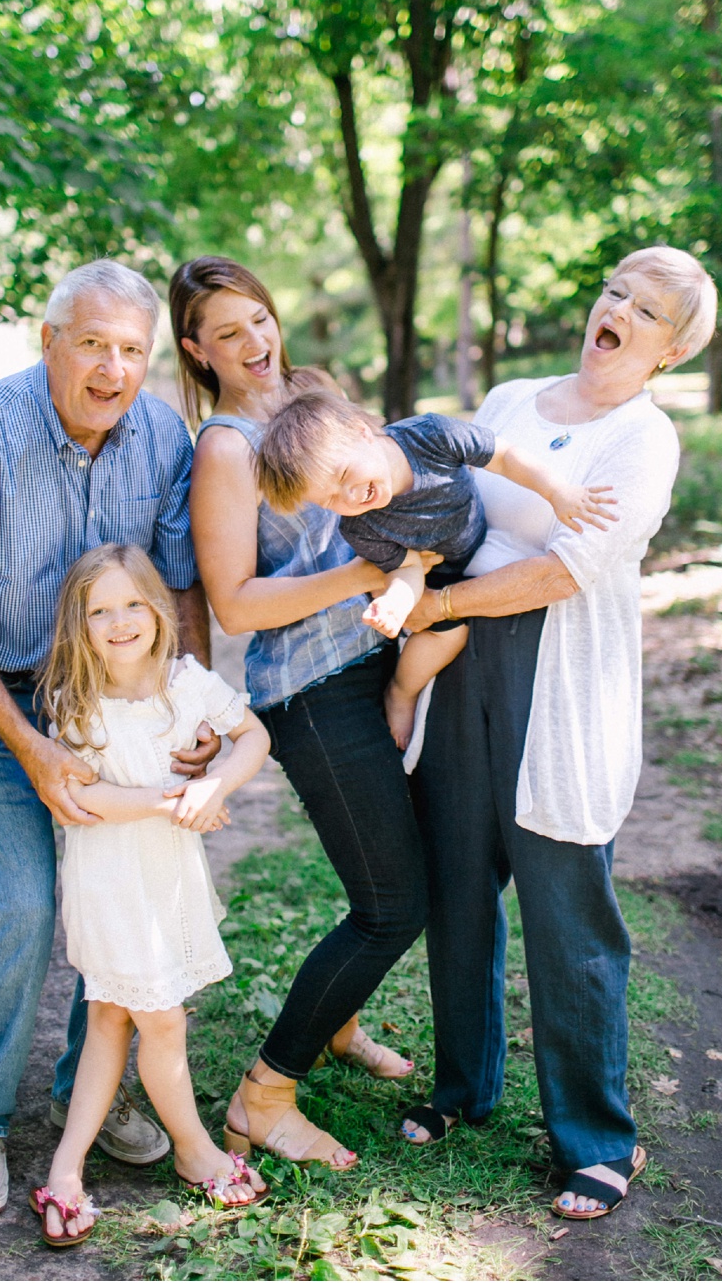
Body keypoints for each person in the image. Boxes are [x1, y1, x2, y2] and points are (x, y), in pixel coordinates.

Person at [0, 259, 222, 1219]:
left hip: (122, 704)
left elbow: (179, 584)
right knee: (25, 907)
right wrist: (31, 745)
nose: (113, 370)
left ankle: (99, 1092)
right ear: (49, 343)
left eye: (132, 351)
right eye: (94, 345)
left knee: (115, 905)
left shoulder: (159, 432)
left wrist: (188, 712)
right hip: (3, 697)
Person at [396, 247, 716, 1224]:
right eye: (613, 289)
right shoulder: (508, 397)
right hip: (458, 662)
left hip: (555, 677)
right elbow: (447, 498)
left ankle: (593, 1137)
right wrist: (417, 590)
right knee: (456, 884)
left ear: (667, 350)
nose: (614, 307)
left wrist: (434, 604)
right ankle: (462, 1090)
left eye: (644, 307)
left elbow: (561, 571)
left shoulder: (641, 440)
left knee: (566, 912)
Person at [174, 256, 426, 1172]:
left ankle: (338, 1022)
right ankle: (263, 1096)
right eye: (227, 332)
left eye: (260, 319)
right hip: (312, 694)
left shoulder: (316, 393)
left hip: (384, 661)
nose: (253, 342)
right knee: (394, 905)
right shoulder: (227, 449)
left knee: (393, 873)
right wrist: (364, 575)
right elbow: (235, 603)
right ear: (197, 350)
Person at [29, 545, 270, 1247]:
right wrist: (170, 801)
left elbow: (252, 735)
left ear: (158, 610)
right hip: (109, 882)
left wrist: (216, 783)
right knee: (161, 1024)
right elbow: (82, 796)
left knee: (110, 1017)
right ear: (80, 626)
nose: (119, 621)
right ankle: (198, 1152)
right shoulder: (75, 695)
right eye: (99, 611)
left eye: (132, 603)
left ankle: (66, 1170)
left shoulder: (185, 681)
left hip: (165, 881)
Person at [254, 393, 619, 753]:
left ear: (362, 431)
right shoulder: (359, 527)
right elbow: (407, 567)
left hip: (477, 529)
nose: (348, 497)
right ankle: (401, 691)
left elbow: (504, 457)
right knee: (447, 636)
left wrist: (557, 492)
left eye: (345, 475)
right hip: (438, 568)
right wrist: (397, 602)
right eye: (330, 500)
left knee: (521, 569)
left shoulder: (431, 435)